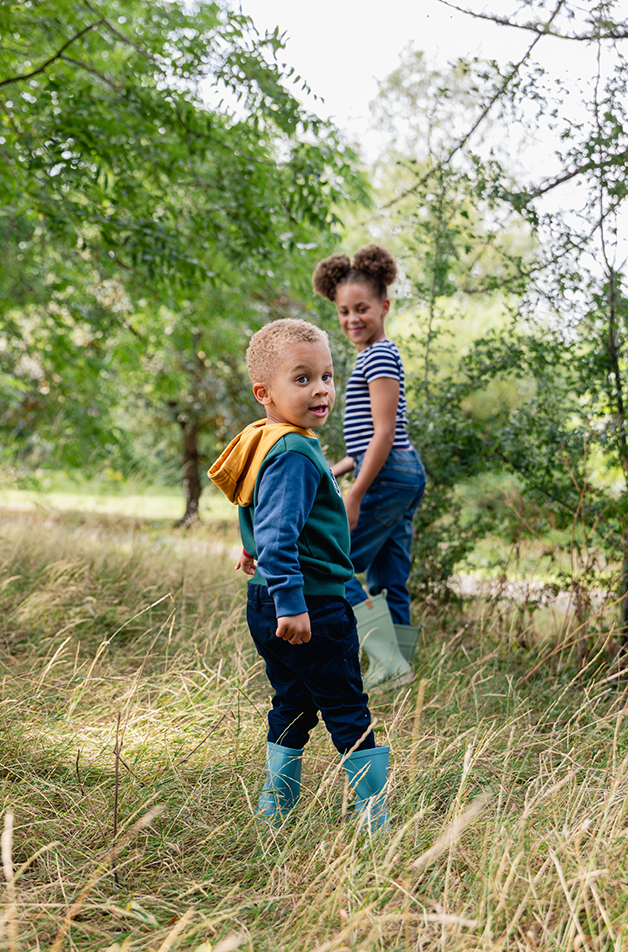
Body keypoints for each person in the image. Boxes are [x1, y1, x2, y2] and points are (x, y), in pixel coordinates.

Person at [208, 318, 389, 831]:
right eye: (303, 378)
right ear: (264, 392)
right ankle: (376, 821)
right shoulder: (293, 452)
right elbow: (279, 530)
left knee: (292, 703)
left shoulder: (267, 440)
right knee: (346, 707)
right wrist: (291, 602)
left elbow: (263, 512)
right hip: (308, 605)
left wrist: (253, 550)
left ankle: (275, 811)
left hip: (270, 598)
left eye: (327, 376)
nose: (321, 389)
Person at [313, 244, 426, 691]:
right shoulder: (378, 353)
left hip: (386, 473)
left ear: (384, 306)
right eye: (343, 311)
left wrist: (355, 494)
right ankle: (398, 669)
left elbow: (384, 433)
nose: (352, 319)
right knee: (388, 575)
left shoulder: (377, 355)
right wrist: (337, 468)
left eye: (362, 308)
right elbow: (369, 441)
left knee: (331, 561)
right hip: (400, 472)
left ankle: (387, 661)